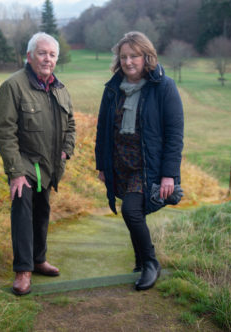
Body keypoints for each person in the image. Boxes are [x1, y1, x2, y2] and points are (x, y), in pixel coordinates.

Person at [95, 31, 184, 291]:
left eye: (134, 56)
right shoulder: (113, 88)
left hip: (147, 166)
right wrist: (102, 165)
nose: (128, 61)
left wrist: (169, 175)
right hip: (120, 164)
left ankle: (150, 263)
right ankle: (139, 259)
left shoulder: (164, 87)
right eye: (123, 56)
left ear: (147, 56)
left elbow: (174, 134)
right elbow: (102, 128)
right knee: (132, 212)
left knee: (131, 211)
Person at [0, 32, 76, 296]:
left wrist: (66, 151)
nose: (47, 59)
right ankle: (23, 270)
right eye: (42, 53)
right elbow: (5, 132)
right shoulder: (13, 86)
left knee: (42, 212)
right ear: (29, 56)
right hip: (24, 163)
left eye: (52, 54)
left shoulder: (60, 89)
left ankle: (39, 260)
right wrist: (15, 172)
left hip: (49, 165)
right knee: (23, 212)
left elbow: (71, 125)